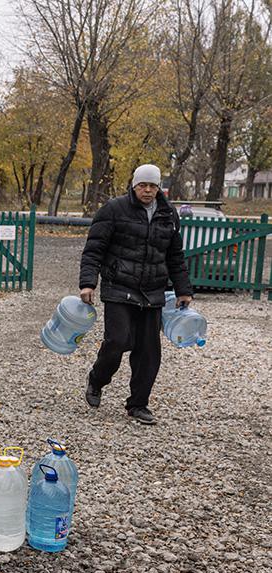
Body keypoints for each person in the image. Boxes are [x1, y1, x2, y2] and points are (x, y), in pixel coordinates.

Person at [80, 163, 193, 425]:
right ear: (134, 185)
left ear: (159, 188)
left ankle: (138, 405)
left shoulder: (168, 214)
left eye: (153, 186)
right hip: (119, 287)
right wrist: (88, 283)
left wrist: (183, 289)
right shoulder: (114, 209)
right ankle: (97, 380)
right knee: (117, 341)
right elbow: (94, 249)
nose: (148, 190)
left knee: (148, 351)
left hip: (152, 292)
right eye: (143, 185)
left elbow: (175, 256)